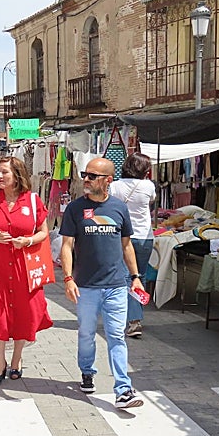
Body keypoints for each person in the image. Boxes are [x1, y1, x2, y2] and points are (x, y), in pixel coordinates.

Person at [59, 157, 146, 410]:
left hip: (116, 285)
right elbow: (67, 245)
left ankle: (123, 389)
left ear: (108, 180)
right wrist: (67, 278)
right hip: (85, 285)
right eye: (85, 175)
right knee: (86, 334)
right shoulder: (76, 209)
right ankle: (87, 371)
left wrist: (136, 278)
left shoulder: (119, 208)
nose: (86, 179)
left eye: (92, 176)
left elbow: (126, 244)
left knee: (116, 336)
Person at [0, 157, 53, 385]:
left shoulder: (32, 201)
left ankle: (17, 359)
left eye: (4, 173)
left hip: (23, 267)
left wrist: (27, 242)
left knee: (23, 313)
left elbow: (43, 232)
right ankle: (0, 361)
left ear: (17, 175)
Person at [109, 152, 156, 339]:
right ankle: (135, 318)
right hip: (145, 236)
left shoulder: (114, 187)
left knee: (127, 277)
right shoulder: (148, 185)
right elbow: (150, 201)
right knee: (140, 276)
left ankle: (133, 319)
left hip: (123, 237)